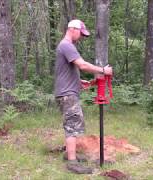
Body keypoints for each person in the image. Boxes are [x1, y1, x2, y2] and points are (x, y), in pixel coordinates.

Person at [54, 19, 113, 174]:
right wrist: (102, 70)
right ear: (72, 29)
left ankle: (70, 153)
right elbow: (83, 65)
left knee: (73, 123)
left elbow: (64, 70)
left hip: (67, 91)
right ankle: (72, 162)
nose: (80, 37)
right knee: (72, 125)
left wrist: (78, 81)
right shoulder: (67, 45)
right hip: (67, 94)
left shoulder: (66, 46)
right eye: (81, 33)